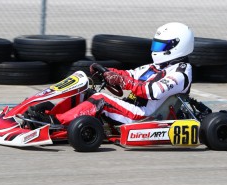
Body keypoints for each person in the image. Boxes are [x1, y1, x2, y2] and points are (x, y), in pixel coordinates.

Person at [28, 22, 194, 126]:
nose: (156, 51)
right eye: (155, 46)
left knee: (101, 100)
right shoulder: (156, 66)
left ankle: (56, 123)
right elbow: (130, 74)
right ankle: (53, 114)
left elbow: (154, 91)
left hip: (143, 116)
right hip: (132, 107)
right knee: (86, 93)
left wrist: (122, 81)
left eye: (160, 47)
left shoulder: (181, 72)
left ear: (177, 46)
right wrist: (108, 72)